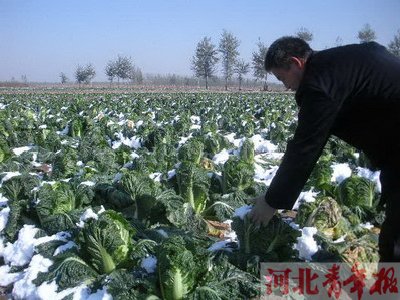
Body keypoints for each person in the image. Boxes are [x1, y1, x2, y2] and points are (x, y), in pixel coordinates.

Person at [249, 36, 400, 262]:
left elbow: (306, 147)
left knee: (397, 238)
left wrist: (272, 201)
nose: (286, 87)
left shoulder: (319, 82)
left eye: (283, 78)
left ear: (296, 63)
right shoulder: (341, 61)